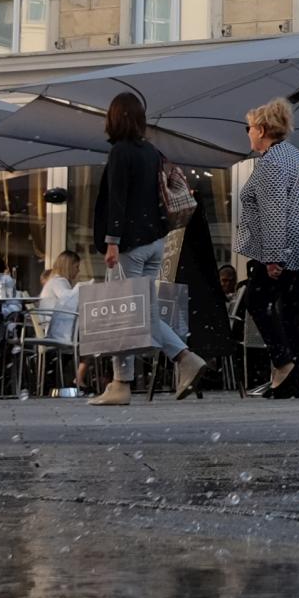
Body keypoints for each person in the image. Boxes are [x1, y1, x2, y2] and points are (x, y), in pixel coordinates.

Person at [97, 89, 208, 404]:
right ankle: (132, 378)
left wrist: (112, 242)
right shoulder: (153, 152)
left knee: (124, 313)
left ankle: (131, 380)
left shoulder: (120, 152)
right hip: (156, 241)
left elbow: (118, 199)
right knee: (139, 312)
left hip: (130, 245)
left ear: (114, 118)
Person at [236, 97, 299, 399]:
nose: (248, 133)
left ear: (261, 130)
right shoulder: (297, 157)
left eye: (249, 128)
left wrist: (273, 256)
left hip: (281, 246)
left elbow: (273, 210)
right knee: (291, 310)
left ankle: (283, 363)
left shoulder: (271, 162)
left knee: (256, 301)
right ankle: (293, 380)